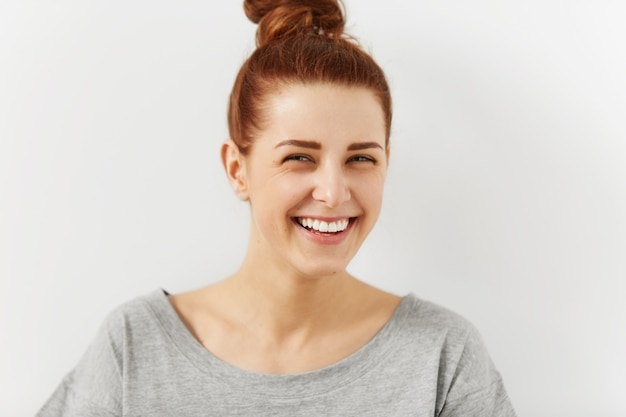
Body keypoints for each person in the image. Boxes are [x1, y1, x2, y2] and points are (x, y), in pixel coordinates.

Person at [37, 0, 516, 415]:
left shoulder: (443, 357)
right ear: (236, 169)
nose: (333, 191)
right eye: (299, 157)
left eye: (361, 158)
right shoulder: (135, 348)